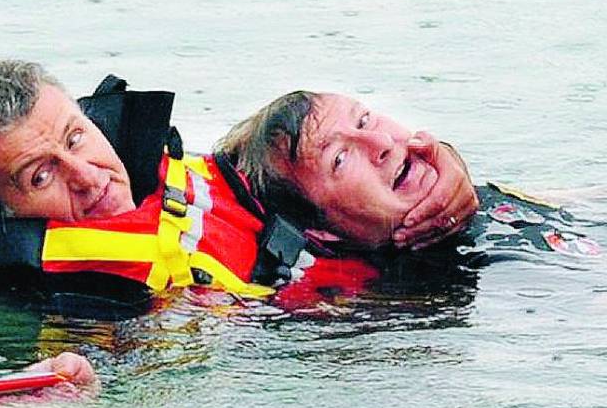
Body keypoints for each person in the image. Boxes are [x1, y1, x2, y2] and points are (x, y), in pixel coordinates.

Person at [0, 60, 479, 304]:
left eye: (76, 137)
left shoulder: (198, 169)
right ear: (2, 217)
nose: (89, 177)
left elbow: (314, 143)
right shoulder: (65, 302)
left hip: (442, 255)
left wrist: (448, 171)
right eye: (41, 176)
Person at [217, 90, 602, 262]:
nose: (380, 141)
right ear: (320, 231)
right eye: (340, 158)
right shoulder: (377, 307)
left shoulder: (483, 200)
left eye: (364, 119)